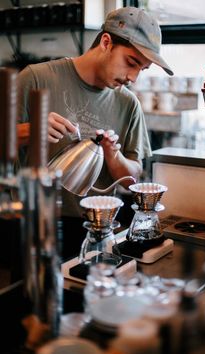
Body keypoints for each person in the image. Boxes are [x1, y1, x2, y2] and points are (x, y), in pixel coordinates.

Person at [17, 6, 174, 259]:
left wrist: (114, 155)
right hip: (33, 222)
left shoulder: (128, 104)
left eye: (141, 70)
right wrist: (31, 130)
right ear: (106, 42)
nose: (132, 77)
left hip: (97, 229)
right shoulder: (36, 79)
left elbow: (131, 179)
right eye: (131, 62)